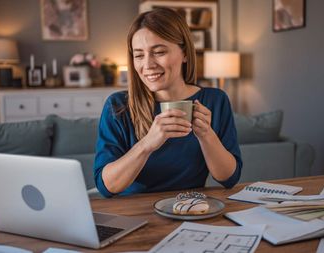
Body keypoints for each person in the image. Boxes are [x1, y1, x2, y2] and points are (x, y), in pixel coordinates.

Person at [93, 7, 242, 198]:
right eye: (139, 55)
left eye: (159, 52)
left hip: (189, 209)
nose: (147, 65)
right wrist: (147, 144)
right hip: (134, 212)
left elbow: (229, 178)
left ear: (185, 53)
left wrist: (206, 135)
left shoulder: (215, 100)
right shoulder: (118, 105)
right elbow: (106, 187)